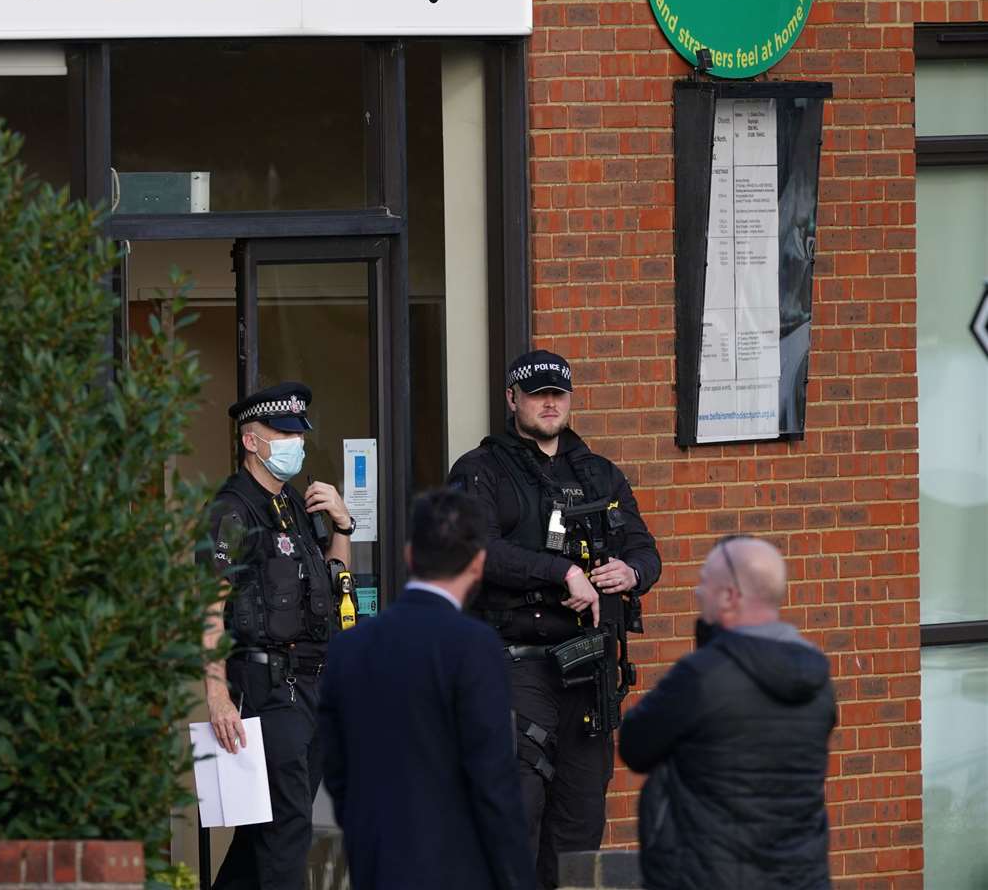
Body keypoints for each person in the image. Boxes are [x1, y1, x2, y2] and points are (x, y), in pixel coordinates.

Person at [446, 349, 662, 889]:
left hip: (587, 673)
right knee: (516, 816)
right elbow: (476, 551)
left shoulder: (598, 474)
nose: (548, 403)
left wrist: (629, 573)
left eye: (557, 394)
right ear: (512, 399)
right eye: (537, 393)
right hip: (514, 665)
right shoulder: (479, 470)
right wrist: (562, 572)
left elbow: (646, 550)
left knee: (580, 825)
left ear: (569, 400)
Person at [319, 488, 534, 890]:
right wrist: (517, 876)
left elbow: (336, 766)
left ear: (409, 555)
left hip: (376, 859)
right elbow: (493, 777)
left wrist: (363, 830)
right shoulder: (474, 645)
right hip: (458, 866)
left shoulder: (349, 647)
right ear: (478, 562)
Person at [201, 381, 353, 890]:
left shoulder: (293, 503)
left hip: (312, 686)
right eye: (281, 432)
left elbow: (337, 587)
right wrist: (217, 696)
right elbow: (208, 606)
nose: (295, 442)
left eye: (298, 433)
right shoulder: (231, 510)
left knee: (263, 833)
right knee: (287, 831)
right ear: (251, 441)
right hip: (267, 689)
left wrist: (342, 526)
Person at [619, 536, 836, 890]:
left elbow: (634, 746)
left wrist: (708, 644)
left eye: (705, 581)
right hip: (800, 876)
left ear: (730, 596)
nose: (697, 592)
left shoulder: (702, 676)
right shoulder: (819, 681)